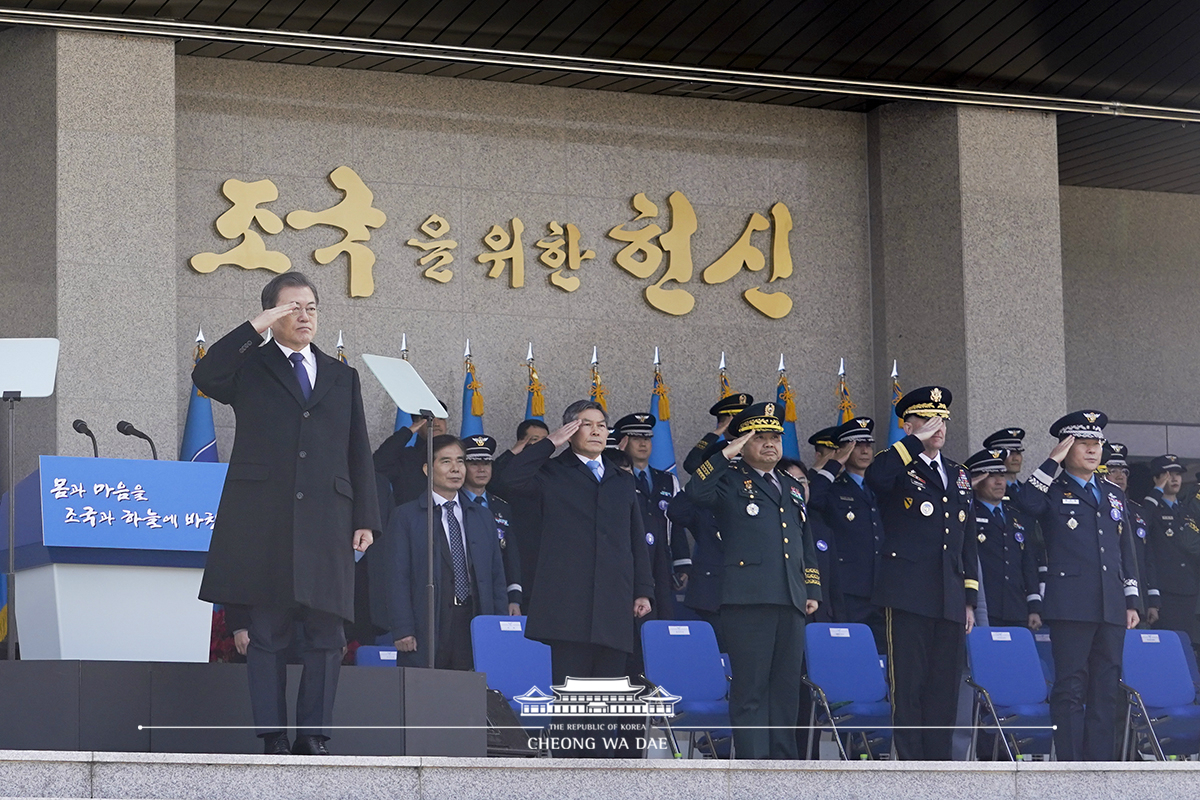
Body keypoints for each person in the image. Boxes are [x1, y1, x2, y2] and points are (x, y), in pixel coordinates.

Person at [193, 272, 380, 756]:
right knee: (267, 634)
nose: (304, 316)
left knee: (327, 633)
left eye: (312, 307)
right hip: (265, 521)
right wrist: (254, 326)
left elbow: (357, 449)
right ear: (271, 314)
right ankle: (273, 735)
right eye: (291, 307)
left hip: (328, 523)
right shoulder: (250, 368)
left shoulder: (343, 376)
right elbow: (206, 375)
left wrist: (365, 517)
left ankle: (314, 734)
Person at [494, 400, 653, 756]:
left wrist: (643, 589)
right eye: (586, 424)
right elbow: (507, 479)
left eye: (601, 425)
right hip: (569, 606)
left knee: (604, 705)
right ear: (570, 431)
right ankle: (570, 779)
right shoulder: (550, 472)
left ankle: (601, 779)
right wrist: (550, 443)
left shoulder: (620, 478)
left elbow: (635, 539)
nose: (596, 431)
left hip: (613, 604)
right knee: (572, 706)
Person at [687, 401, 822, 760]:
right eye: (759, 437)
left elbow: (803, 539)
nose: (769, 444)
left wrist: (811, 588)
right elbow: (695, 494)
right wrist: (725, 452)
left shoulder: (792, 485)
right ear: (743, 443)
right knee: (751, 690)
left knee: (785, 690)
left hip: (791, 598)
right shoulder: (729, 479)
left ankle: (783, 765)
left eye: (775, 437)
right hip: (748, 599)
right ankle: (754, 767)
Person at [1014, 410, 1140, 761]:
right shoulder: (1053, 488)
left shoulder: (1112, 493)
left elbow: (1124, 548)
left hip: (1111, 603)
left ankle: (1101, 765)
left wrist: (1131, 599)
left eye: (1096, 443)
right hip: (1071, 603)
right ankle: (1069, 766)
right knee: (1070, 686)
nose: (1092, 450)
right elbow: (1026, 503)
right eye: (1082, 444)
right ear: (1066, 448)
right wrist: (1051, 462)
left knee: (1106, 687)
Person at [865, 385, 978, 761]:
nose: (938, 426)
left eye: (942, 419)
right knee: (909, 686)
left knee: (943, 686)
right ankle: (911, 766)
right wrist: (914, 443)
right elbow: (875, 479)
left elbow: (966, 542)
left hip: (948, 595)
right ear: (908, 424)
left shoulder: (958, 474)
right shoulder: (897, 463)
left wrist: (969, 599)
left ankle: (939, 768)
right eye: (928, 419)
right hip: (908, 592)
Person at [384, 435, 508, 670]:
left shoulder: (481, 516)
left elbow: (496, 577)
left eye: (460, 461)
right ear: (427, 469)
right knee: (424, 697)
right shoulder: (406, 516)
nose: (456, 469)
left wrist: (497, 625)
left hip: (473, 620)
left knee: (468, 695)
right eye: (446, 462)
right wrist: (403, 629)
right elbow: (396, 577)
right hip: (427, 622)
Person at [809, 417, 886, 651]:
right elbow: (811, 499)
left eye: (868, 444)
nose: (864, 450)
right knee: (850, 651)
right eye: (856, 444)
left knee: (883, 655)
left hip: (882, 587)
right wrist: (834, 463)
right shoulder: (834, 486)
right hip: (849, 588)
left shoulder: (878, 485)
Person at [615, 412, 688, 617]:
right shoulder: (616, 478)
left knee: (662, 616)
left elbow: (675, 522)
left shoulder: (666, 480)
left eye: (647, 438)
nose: (643, 444)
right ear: (624, 441)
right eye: (637, 438)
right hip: (630, 558)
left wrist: (682, 563)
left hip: (661, 560)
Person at [964, 448, 1041, 629]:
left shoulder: (1016, 516)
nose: (1000, 481)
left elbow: (1028, 564)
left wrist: (1034, 606)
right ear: (978, 480)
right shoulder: (968, 514)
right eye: (991, 476)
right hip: (983, 608)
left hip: (1017, 608)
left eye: (1002, 475)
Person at [461, 434, 523, 616]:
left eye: (486, 463)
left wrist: (514, 598)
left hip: (496, 595)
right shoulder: (454, 504)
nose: (482, 469)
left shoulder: (501, 506)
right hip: (466, 595)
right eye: (474, 464)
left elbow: (511, 555)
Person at [1100, 443, 1160, 625]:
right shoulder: (1098, 507)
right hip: (1109, 595)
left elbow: (1147, 557)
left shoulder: (1138, 511)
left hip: (1138, 596)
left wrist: (1153, 600)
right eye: (1114, 470)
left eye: (1124, 472)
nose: (1120, 476)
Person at [1144, 454, 1200, 647]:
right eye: (1167, 474)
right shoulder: (1151, 507)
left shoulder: (1187, 510)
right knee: (1167, 643)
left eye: (1177, 474)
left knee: (1188, 644)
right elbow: (1142, 524)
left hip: (1190, 589)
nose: (1174, 479)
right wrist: (1157, 490)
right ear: (1156, 478)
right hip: (1165, 591)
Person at [491, 419, 550, 600]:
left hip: (547, 550)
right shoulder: (510, 470)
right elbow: (491, 481)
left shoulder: (554, 470)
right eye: (534, 440)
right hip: (520, 548)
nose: (541, 446)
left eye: (545, 441)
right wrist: (511, 453)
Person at [373, 408, 450, 506]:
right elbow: (377, 466)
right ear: (416, 424)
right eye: (428, 419)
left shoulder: (459, 456)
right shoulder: (405, 457)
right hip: (410, 519)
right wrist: (407, 432)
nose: (436, 423)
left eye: (441, 418)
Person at [682, 393, 754, 475]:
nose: (740, 427)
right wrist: (716, 433)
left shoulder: (758, 447)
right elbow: (691, 466)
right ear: (722, 426)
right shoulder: (717, 450)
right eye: (734, 423)